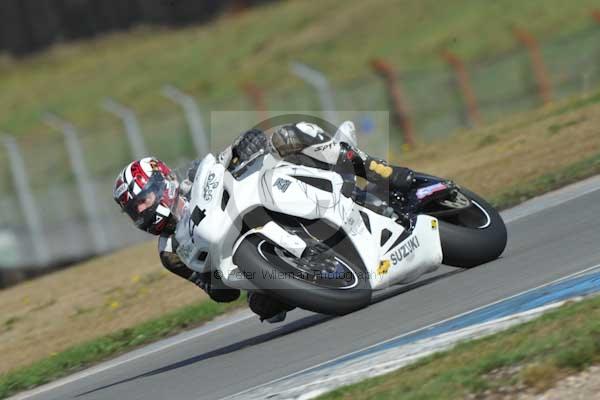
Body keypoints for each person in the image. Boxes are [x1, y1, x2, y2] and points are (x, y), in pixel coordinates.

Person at [113, 121, 418, 322]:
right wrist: (216, 280)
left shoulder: (194, 178)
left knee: (286, 136)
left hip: (275, 196)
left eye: (143, 200)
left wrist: (245, 146)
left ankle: (375, 169)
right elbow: (219, 291)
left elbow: (230, 156)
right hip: (250, 257)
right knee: (263, 307)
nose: (141, 211)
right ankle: (317, 275)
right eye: (133, 209)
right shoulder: (169, 251)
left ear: (162, 184)